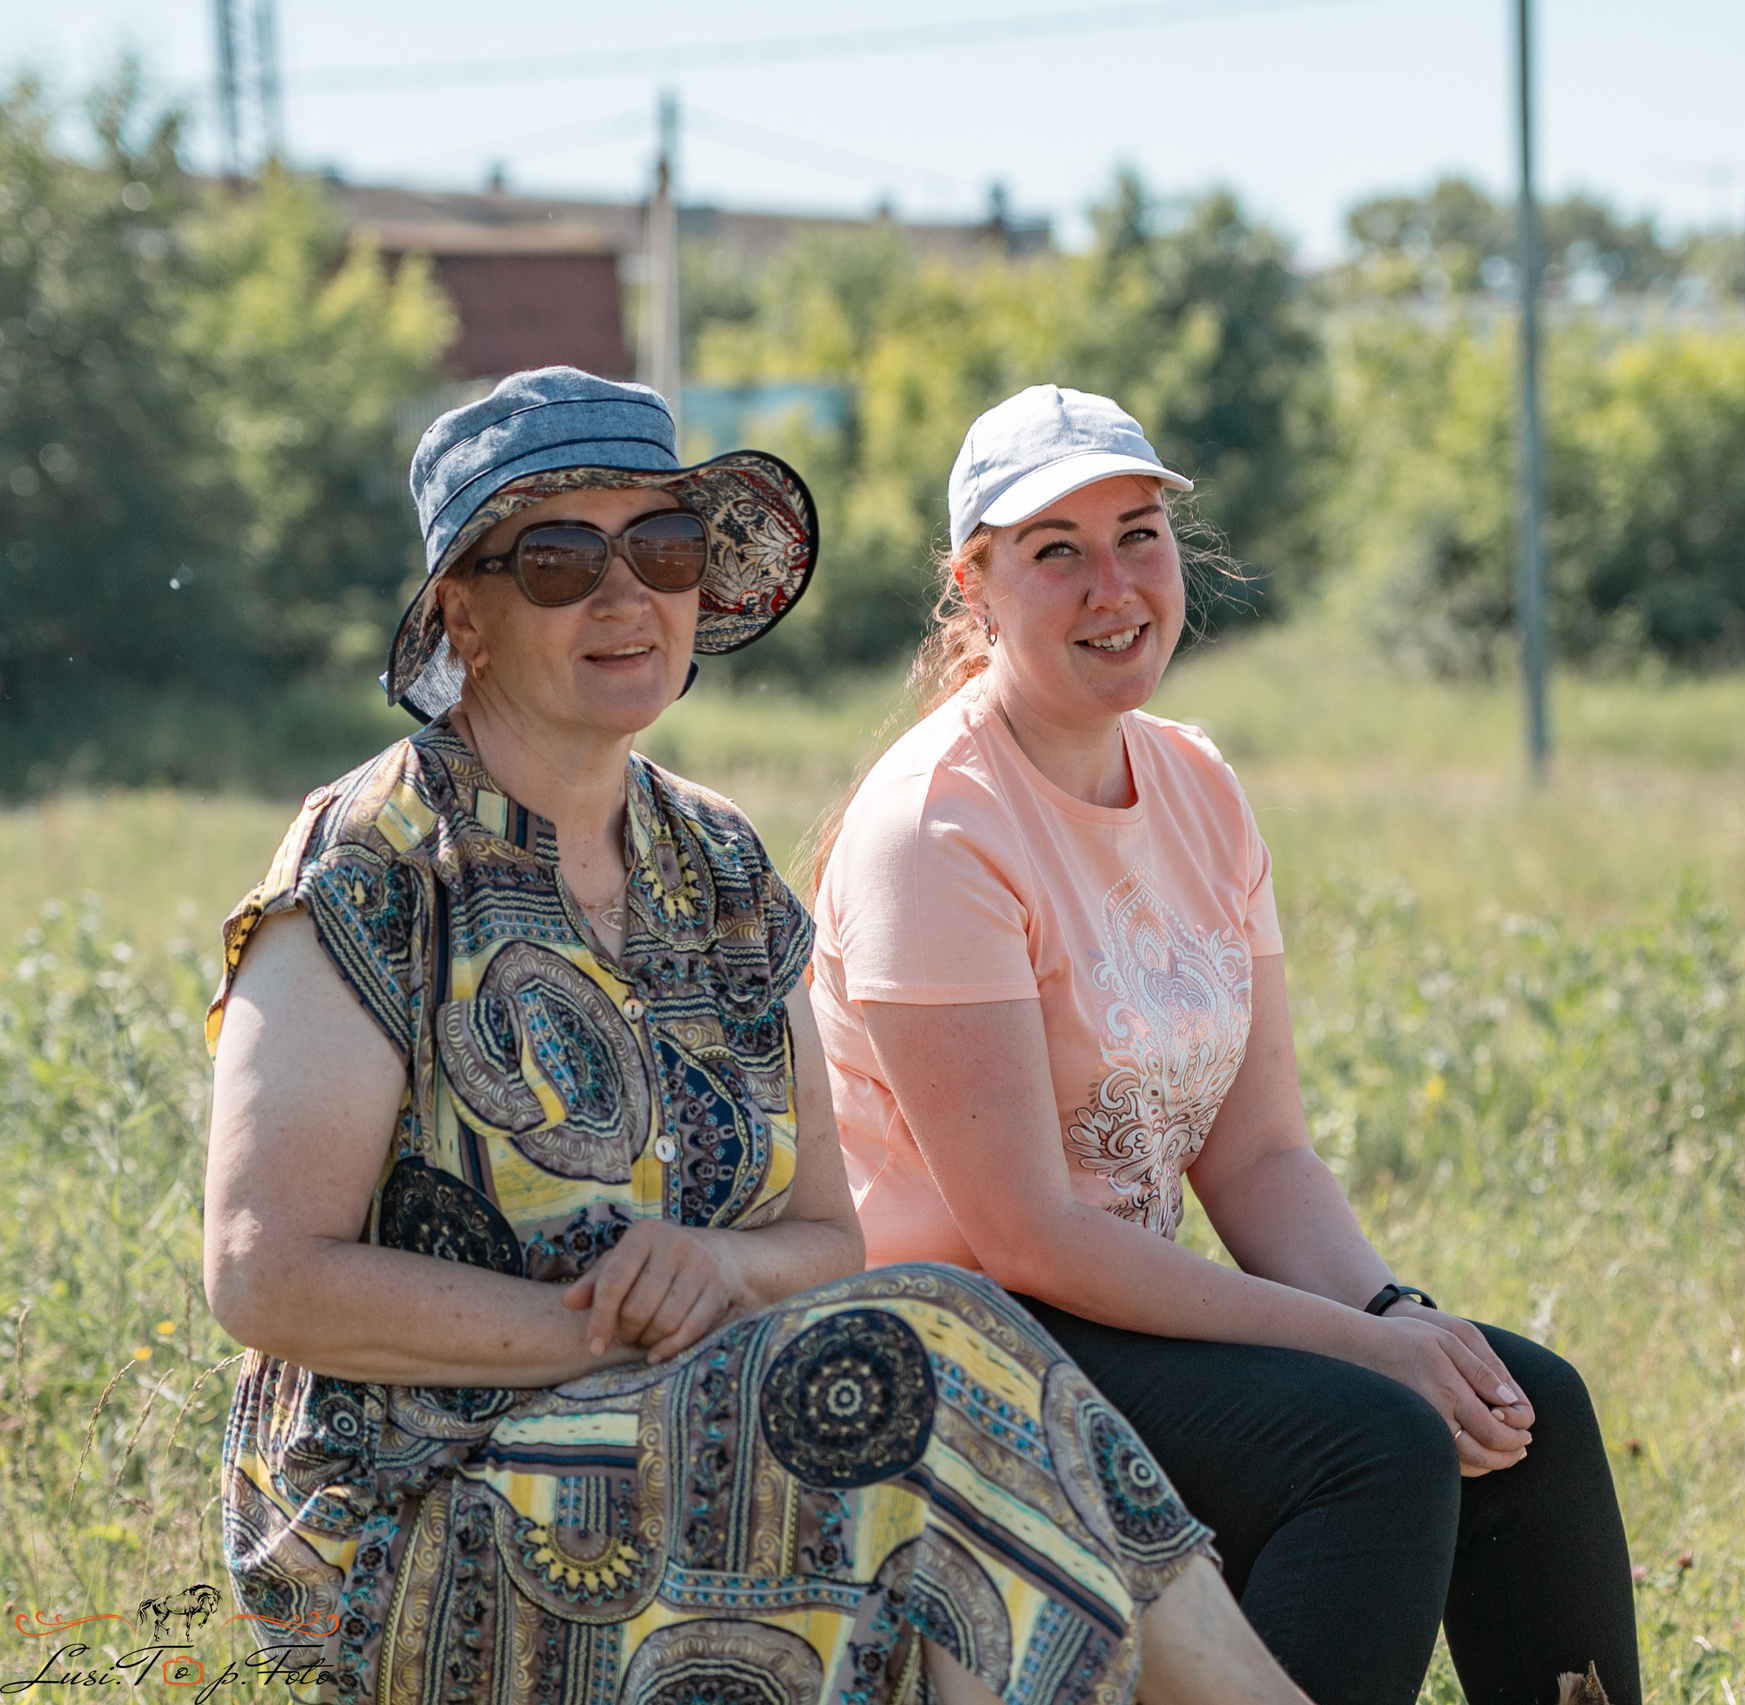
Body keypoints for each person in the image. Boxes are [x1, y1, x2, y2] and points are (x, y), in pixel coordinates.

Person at [202, 367, 1308, 1705]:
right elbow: (264, 1276)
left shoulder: (718, 863)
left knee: (930, 1411)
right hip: (410, 1507)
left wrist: (720, 1273)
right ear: (465, 615)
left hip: (693, 1433)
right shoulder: (375, 861)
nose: (624, 596)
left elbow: (825, 1240)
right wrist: (600, 1329)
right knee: (922, 1366)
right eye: (557, 560)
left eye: (662, 549)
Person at [808, 385, 1640, 1705]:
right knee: (1371, 1442)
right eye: (1055, 550)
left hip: (1113, 1312)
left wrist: (1394, 1315)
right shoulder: (934, 828)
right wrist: (1363, 1356)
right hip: (953, 1341)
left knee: (1516, 1403)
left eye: (1138, 533)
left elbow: (1256, 1153)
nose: (1113, 584)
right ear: (973, 583)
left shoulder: (1196, 783)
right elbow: (1025, 1233)